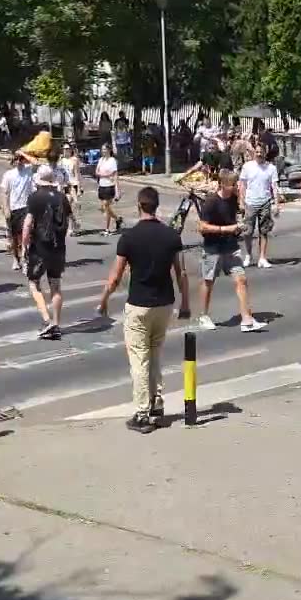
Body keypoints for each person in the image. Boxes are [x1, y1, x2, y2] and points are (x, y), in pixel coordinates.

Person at [98, 185, 190, 434]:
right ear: (157, 206)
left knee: (139, 359)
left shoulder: (129, 237)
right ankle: (157, 404)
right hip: (164, 305)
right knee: (155, 355)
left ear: (139, 206)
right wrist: (186, 303)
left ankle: (142, 414)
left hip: (139, 305)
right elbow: (181, 272)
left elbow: (115, 277)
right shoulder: (171, 236)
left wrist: (104, 299)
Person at [196, 171, 266, 332]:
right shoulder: (211, 202)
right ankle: (204, 315)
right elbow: (202, 227)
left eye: (236, 184)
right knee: (209, 281)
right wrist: (226, 229)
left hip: (231, 247)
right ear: (223, 184)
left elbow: (234, 217)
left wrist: (239, 226)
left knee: (241, 279)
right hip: (213, 248)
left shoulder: (234, 199)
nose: (236, 187)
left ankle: (246, 319)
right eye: (232, 184)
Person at [22, 165, 72, 340]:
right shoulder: (62, 197)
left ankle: (47, 320)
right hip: (58, 247)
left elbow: (28, 224)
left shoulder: (34, 198)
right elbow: (70, 219)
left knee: (33, 282)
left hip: (40, 247)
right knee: (55, 285)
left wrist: (24, 246)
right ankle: (57, 323)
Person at [239, 142, 280, 269]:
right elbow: (242, 185)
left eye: (261, 152)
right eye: (256, 152)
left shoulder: (271, 168)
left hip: (265, 202)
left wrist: (276, 204)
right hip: (250, 203)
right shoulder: (247, 167)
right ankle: (249, 255)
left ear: (265, 152)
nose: (259, 154)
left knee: (264, 231)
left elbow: (274, 187)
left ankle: (262, 257)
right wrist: (241, 201)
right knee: (247, 232)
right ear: (253, 153)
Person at [1, 153, 35, 270]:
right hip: (14, 208)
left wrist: (24, 153)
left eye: (22, 159)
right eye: (17, 159)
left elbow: (36, 162)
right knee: (15, 238)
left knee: (26, 236)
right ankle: (16, 259)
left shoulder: (29, 170)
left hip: (27, 207)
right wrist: (6, 209)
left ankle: (26, 261)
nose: (20, 161)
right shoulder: (8, 175)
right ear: (13, 161)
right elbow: (5, 193)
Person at [96, 142, 122, 235]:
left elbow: (115, 175)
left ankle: (107, 229)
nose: (103, 151)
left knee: (106, 206)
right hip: (101, 185)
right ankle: (117, 219)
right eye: (102, 149)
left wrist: (117, 190)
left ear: (109, 150)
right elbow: (97, 172)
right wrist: (106, 174)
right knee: (104, 207)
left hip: (109, 186)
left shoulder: (112, 161)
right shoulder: (101, 160)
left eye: (104, 149)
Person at [59, 141, 82, 234]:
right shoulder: (61, 160)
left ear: (70, 150)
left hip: (73, 184)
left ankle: (71, 227)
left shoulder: (74, 160)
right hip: (65, 184)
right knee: (67, 207)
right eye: (64, 149)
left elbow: (77, 173)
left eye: (67, 149)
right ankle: (74, 224)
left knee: (73, 205)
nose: (66, 151)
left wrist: (79, 188)